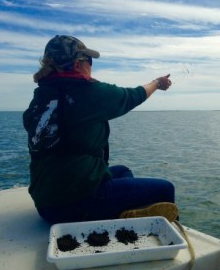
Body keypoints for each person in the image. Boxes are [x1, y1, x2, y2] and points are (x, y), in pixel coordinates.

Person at [23, 35, 178, 225]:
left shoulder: (41, 96)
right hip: (74, 205)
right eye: (89, 60)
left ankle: (121, 212)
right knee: (165, 190)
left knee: (121, 171)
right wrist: (157, 83)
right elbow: (132, 96)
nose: (90, 65)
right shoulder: (88, 92)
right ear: (79, 64)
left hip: (46, 203)